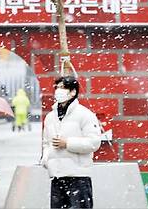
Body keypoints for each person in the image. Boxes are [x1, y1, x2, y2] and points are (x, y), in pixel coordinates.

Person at [41, 76, 101, 209]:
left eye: (62, 87)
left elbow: (94, 142)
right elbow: (46, 142)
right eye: (56, 88)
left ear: (73, 92)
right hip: (57, 177)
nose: (58, 91)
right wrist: (46, 159)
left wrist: (67, 143)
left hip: (78, 178)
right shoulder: (51, 117)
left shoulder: (85, 115)